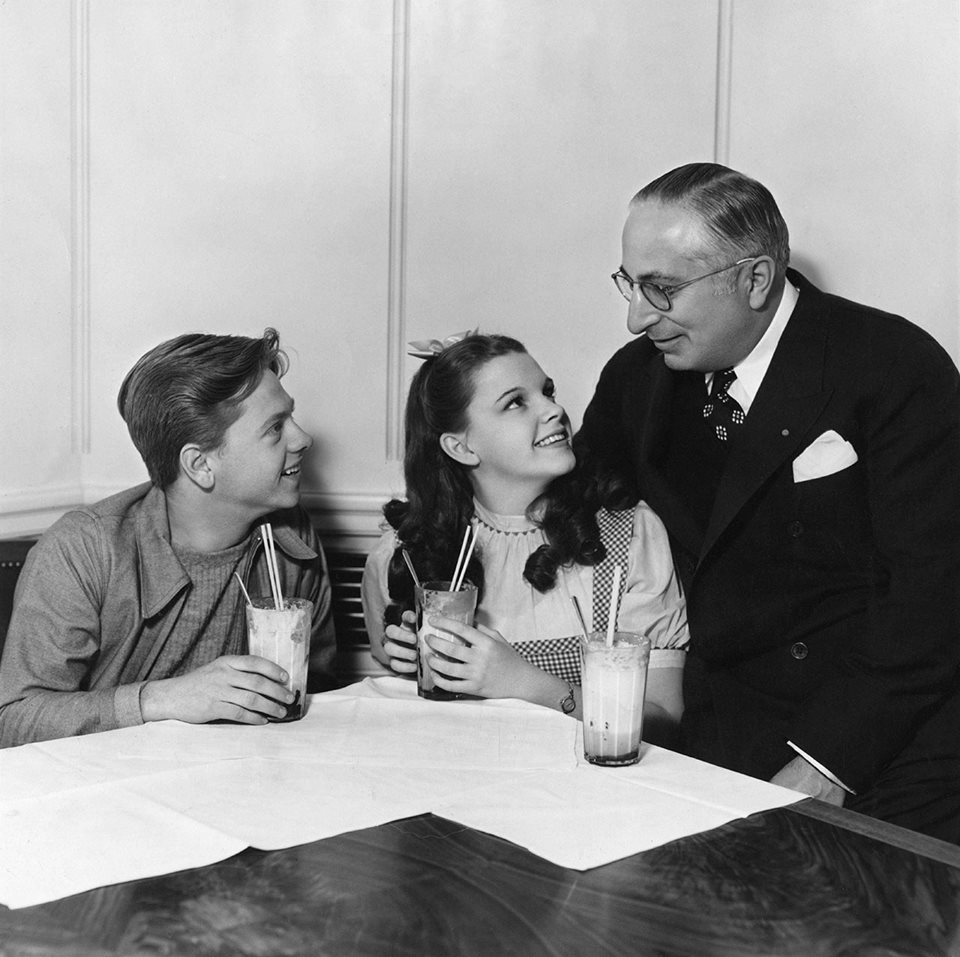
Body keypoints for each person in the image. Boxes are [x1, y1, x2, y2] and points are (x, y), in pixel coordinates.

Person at [575, 162, 960, 840]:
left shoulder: (894, 364)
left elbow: (934, 595)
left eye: (661, 289)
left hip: (883, 743)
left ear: (754, 279)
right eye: (631, 285)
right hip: (715, 738)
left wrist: (825, 763)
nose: (637, 317)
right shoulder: (636, 379)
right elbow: (569, 507)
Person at [0, 329, 336, 748]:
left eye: (291, 417)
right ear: (200, 465)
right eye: (274, 428)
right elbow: (13, 720)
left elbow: (320, 686)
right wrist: (162, 699)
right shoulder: (83, 549)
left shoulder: (292, 538)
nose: (302, 438)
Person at [361, 333, 688, 737]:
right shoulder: (403, 552)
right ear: (460, 447)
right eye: (516, 402)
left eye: (547, 392)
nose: (555, 409)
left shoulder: (628, 535)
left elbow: (664, 720)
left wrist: (522, 683)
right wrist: (412, 665)